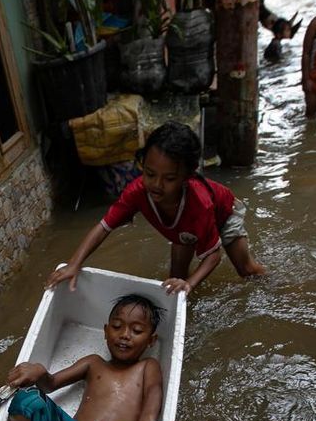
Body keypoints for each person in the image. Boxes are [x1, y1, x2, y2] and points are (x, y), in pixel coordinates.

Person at [45, 122, 266, 296]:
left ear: (187, 177)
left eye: (169, 178)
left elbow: (213, 256)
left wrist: (190, 285)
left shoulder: (199, 204)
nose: (157, 185)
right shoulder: (137, 192)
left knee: (246, 270)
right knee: (174, 281)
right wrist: (74, 264)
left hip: (224, 213)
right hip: (185, 227)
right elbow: (103, 227)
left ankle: (270, 284)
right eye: (150, 174)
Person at [6, 294, 175, 421]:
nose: (124, 335)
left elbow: (154, 390)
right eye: (117, 326)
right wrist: (40, 373)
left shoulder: (147, 367)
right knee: (26, 399)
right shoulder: (94, 363)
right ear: (105, 331)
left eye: (137, 330)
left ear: (151, 340)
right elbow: (51, 384)